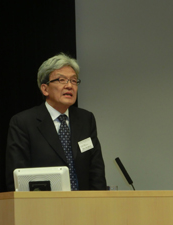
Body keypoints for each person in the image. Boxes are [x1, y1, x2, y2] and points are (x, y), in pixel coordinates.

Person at [6, 53, 106, 191]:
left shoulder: (85, 119)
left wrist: (98, 204)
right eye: (62, 80)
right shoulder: (23, 123)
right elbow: (17, 177)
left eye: (74, 81)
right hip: (44, 207)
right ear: (45, 89)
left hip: (84, 206)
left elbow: (96, 171)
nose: (69, 86)